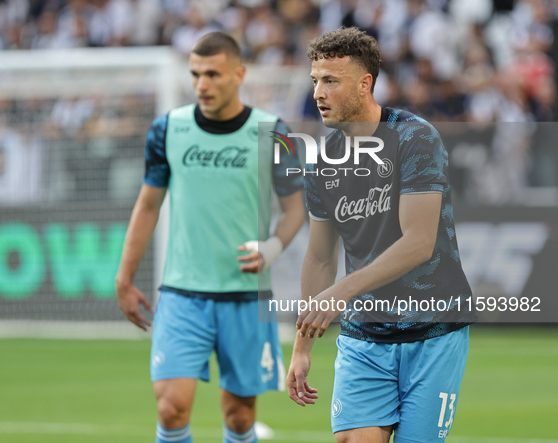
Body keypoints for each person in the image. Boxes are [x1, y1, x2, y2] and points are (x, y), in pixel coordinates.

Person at [286, 27, 477, 443]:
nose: (319, 92)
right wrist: (302, 348)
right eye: (315, 81)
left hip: (433, 331)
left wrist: (341, 291)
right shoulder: (322, 163)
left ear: (364, 83)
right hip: (364, 334)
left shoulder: (414, 138)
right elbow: (320, 258)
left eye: (331, 81)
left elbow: (418, 242)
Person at [116, 32, 305, 443]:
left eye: (213, 74)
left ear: (239, 74)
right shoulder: (167, 129)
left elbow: (296, 210)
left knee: (239, 418)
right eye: (196, 74)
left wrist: (271, 248)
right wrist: (124, 277)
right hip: (183, 294)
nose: (202, 84)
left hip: (245, 297)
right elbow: (147, 206)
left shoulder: (276, 132)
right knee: (170, 408)